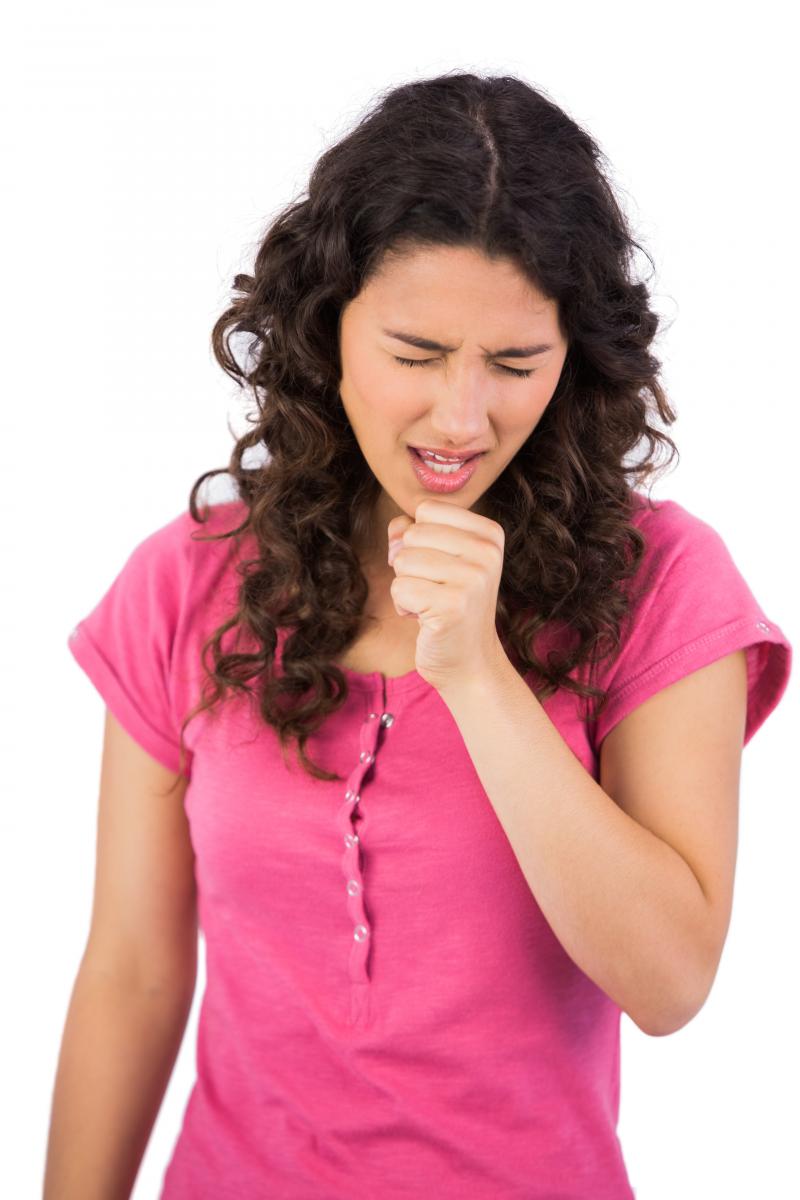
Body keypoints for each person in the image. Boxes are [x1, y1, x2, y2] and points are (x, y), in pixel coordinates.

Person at [44, 71, 792, 1200]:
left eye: (512, 364)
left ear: (575, 360)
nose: (459, 418)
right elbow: (134, 973)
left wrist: (480, 676)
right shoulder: (185, 581)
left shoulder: (666, 582)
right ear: (325, 331)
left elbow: (669, 981)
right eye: (414, 353)